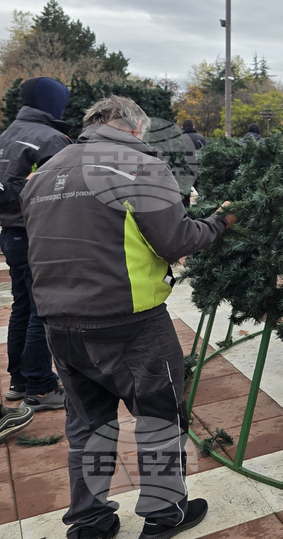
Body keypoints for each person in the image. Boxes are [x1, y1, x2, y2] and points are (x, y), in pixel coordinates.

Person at [21, 96, 237, 539]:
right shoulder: (139, 166)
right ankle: (165, 515)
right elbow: (176, 240)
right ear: (136, 127)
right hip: (130, 322)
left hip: (58, 322)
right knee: (159, 420)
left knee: (87, 427)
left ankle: (90, 521)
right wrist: (220, 221)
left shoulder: (45, 171)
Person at [0, 76, 72, 412]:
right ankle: (40, 387)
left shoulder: (7, 135)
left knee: (23, 307)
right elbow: (62, 193)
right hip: (37, 234)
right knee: (42, 310)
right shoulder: (50, 138)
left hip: (11, 234)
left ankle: (19, 381)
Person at [180, 120, 206, 208]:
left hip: (183, 170)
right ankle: (203, 209)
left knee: (185, 195)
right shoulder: (200, 138)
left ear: (182, 127)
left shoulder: (179, 138)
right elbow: (206, 153)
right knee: (202, 192)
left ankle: (186, 211)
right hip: (198, 168)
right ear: (193, 127)